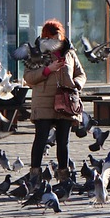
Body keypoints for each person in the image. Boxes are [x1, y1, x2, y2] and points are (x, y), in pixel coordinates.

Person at [23, 19, 87, 180]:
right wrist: (47, 70)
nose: (57, 41)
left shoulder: (70, 52)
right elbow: (28, 77)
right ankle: (35, 175)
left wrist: (77, 84)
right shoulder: (37, 53)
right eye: (53, 38)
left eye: (59, 37)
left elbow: (81, 74)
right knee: (41, 139)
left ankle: (64, 176)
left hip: (66, 101)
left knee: (63, 141)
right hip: (44, 102)